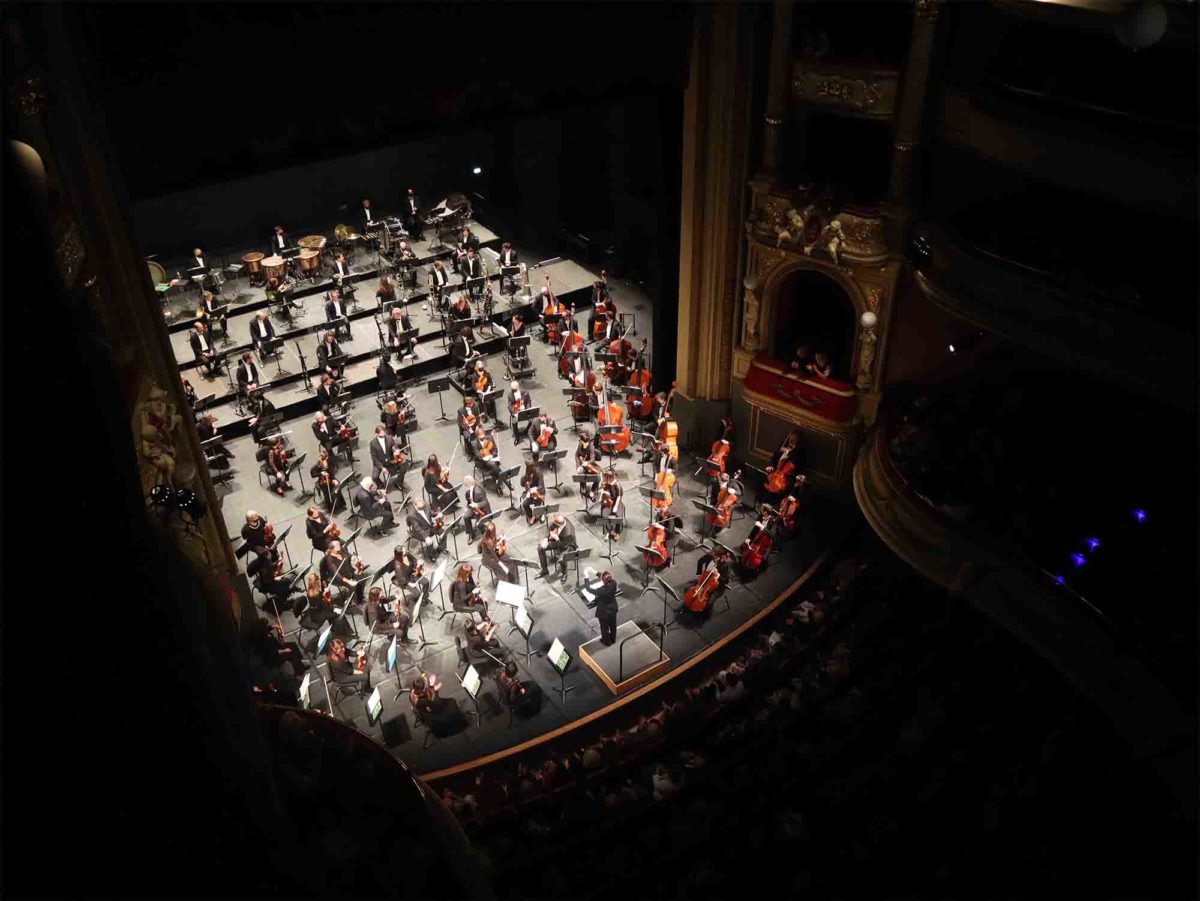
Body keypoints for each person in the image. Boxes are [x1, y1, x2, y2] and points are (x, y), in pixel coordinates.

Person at [410, 673, 466, 738]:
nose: (427, 682)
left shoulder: (413, 691)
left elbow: (424, 691)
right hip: (430, 716)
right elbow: (438, 706)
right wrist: (436, 691)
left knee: (450, 702)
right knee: (451, 703)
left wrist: (431, 685)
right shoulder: (423, 701)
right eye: (426, 684)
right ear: (423, 689)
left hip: (425, 709)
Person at [537, 514, 577, 583]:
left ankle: (564, 574)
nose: (553, 524)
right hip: (558, 540)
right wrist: (546, 539)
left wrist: (556, 538)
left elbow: (562, 544)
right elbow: (550, 527)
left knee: (562, 558)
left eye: (555, 524)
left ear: (559, 525)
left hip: (568, 545)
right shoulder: (560, 520)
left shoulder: (568, 532)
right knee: (540, 548)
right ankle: (544, 570)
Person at [592, 571, 619, 645]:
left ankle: (607, 642)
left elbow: (588, 589)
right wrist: (598, 574)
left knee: (604, 628)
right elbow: (607, 577)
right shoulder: (614, 583)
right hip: (612, 610)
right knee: (613, 626)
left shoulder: (601, 591)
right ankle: (613, 639)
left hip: (604, 613)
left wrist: (586, 578)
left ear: (604, 581)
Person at [462, 475, 491, 542]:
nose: (464, 486)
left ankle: (484, 530)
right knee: (466, 517)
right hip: (473, 507)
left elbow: (485, 503)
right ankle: (470, 533)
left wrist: (477, 505)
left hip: (482, 509)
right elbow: (469, 501)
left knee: (478, 524)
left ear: (468, 484)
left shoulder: (479, 491)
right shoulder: (468, 492)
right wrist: (467, 508)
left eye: (465, 484)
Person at [575, 432, 600, 504]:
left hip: (590, 465)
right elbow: (576, 455)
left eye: (587, 442)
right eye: (584, 442)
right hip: (582, 465)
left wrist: (587, 462)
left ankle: (592, 490)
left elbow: (593, 459)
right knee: (580, 473)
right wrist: (578, 466)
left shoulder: (591, 447)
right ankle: (583, 486)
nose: (586, 444)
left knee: (598, 478)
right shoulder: (580, 445)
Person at [519, 458, 546, 525]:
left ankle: (541, 513)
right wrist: (525, 480)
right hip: (530, 493)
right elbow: (522, 484)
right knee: (525, 504)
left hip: (539, 492)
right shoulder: (528, 472)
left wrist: (534, 489)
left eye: (530, 467)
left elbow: (540, 486)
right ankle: (531, 515)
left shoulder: (539, 473)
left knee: (537, 503)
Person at [599, 470, 624, 539]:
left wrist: (615, 506)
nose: (606, 479)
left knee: (619, 515)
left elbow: (619, 496)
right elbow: (601, 492)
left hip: (616, 501)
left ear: (611, 477)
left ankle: (617, 532)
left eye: (607, 478)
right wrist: (601, 492)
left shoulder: (617, 484)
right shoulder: (604, 483)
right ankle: (610, 531)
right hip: (607, 502)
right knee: (604, 515)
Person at [507, 380, 532, 446]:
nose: (513, 390)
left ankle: (527, 430)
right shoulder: (510, 394)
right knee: (514, 422)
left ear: (518, 387)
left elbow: (528, 402)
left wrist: (528, 409)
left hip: (525, 410)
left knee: (532, 420)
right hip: (516, 411)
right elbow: (509, 405)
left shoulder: (525, 392)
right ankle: (517, 437)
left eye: (514, 389)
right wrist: (514, 412)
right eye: (512, 389)